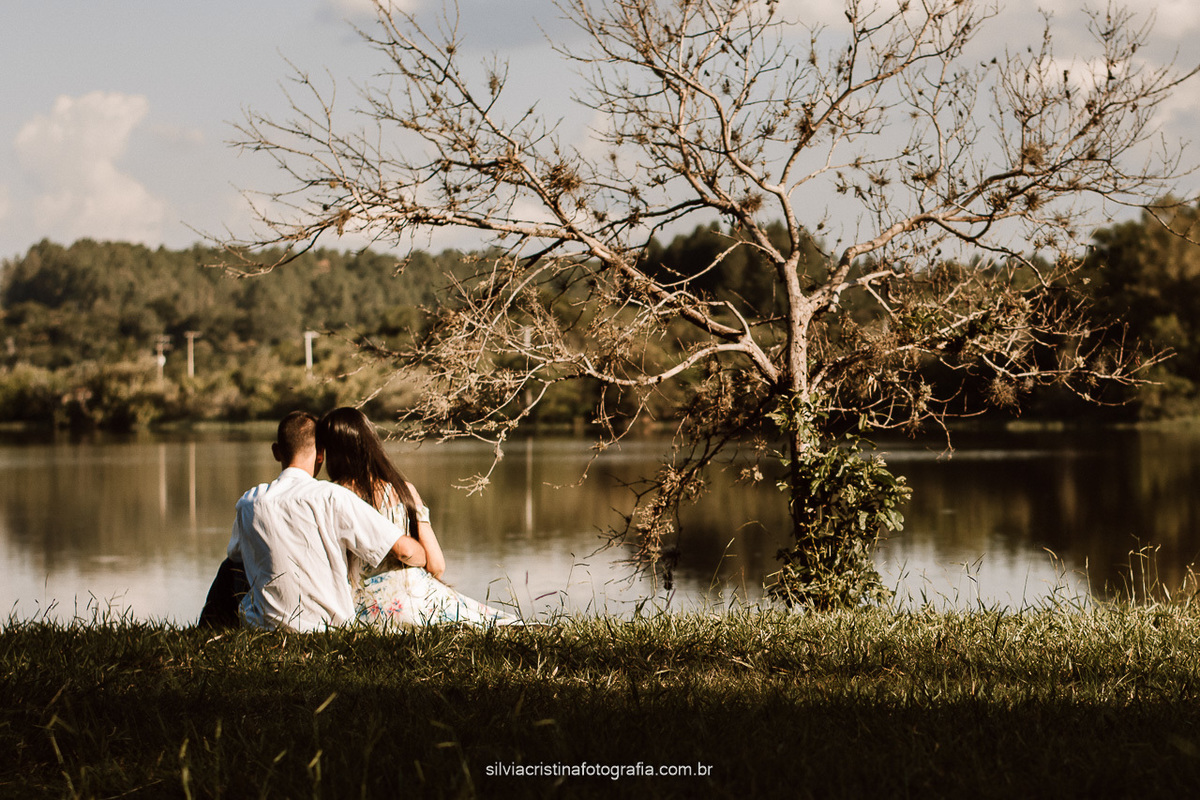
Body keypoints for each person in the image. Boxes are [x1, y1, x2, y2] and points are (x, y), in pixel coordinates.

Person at [224, 410, 429, 632]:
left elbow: (236, 557)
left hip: (264, 628)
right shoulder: (333, 496)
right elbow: (403, 550)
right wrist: (423, 557)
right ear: (320, 454)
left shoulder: (249, 502)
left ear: (276, 452)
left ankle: (211, 621)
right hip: (328, 629)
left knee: (230, 566)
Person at [316, 406, 519, 627]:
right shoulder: (404, 491)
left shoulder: (329, 496)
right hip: (416, 597)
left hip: (362, 608)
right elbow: (437, 566)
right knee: (493, 621)